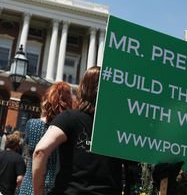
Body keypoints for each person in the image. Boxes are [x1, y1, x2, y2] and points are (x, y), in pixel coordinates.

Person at [32, 66, 127, 195]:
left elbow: (40, 151)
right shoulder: (118, 127)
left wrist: (38, 192)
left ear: (82, 88)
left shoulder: (69, 118)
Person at [18, 82, 73, 195]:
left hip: (30, 183)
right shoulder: (67, 129)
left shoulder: (32, 124)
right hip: (56, 185)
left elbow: (27, 152)